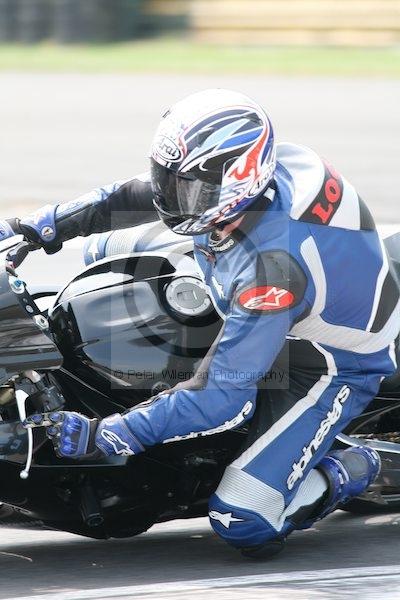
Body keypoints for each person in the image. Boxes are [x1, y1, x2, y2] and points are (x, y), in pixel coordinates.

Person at [3, 89, 399, 558]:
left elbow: (220, 397)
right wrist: (34, 228)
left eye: (186, 189)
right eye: (168, 180)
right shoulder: (245, 185)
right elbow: (132, 196)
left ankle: (362, 464)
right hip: (255, 273)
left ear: (240, 181)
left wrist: (105, 434)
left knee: (244, 519)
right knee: (100, 251)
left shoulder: (271, 271)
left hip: (324, 359)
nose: (169, 198)